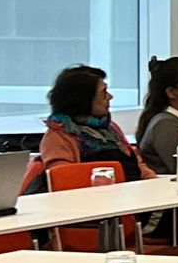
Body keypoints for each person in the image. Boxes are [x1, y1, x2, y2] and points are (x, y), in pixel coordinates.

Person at [21, 65, 154, 196]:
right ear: (83, 98)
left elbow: (139, 167)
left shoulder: (111, 128)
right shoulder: (58, 136)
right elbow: (63, 182)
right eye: (104, 92)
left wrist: (156, 186)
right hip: (92, 207)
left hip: (130, 200)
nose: (110, 97)